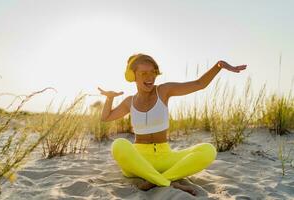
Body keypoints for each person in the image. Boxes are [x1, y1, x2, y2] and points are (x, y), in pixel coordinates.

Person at [98, 53, 246, 195]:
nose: (150, 78)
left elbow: (199, 84)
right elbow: (106, 117)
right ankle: (168, 182)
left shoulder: (163, 91)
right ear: (133, 76)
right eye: (144, 73)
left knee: (208, 150)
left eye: (153, 72)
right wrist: (109, 98)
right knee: (118, 144)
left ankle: (156, 180)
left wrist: (218, 66)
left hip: (165, 158)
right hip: (138, 161)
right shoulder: (129, 101)